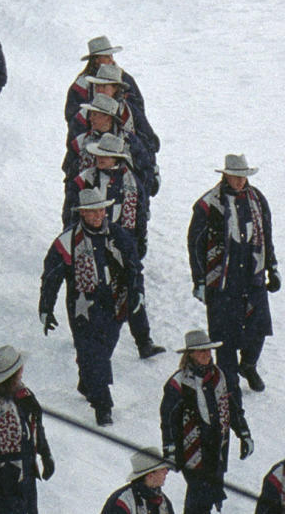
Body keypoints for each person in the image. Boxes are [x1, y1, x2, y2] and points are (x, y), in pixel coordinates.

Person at [39, 188, 144, 426]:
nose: (98, 216)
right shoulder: (67, 242)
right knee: (93, 355)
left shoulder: (118, 235)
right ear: (82, 213)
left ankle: (87, 382)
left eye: (101, 210)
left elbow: (134, 268)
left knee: (102, 351)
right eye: (92, 212)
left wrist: (137, 292)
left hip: (115, 304)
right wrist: (46, 308)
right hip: (83, 308)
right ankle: (103, 405)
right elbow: (51, 277)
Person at [64, 133, 165, 360]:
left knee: (133, 288)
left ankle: (143, 341)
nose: (100, 159)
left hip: (122, 243)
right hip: (89, 242)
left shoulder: (131, 181)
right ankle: (81, 333)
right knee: (83, 288)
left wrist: (139, 242)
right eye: (99, 155)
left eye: (106, 156)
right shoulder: (84, 180)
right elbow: (71, 210)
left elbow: (140, 215)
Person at [188, 155, 277, 396]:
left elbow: (266, 236)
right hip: (222, 280)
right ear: (225, 175)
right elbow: (196, 244)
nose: (240, 181)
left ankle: (248, 365)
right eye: (235, 176)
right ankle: (228, 383)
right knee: (224, 335)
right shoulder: (208, 204)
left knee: (258, 327)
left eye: (243, 176)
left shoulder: (257, 199)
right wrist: (200, 279)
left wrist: (272, 267)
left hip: (252, 274)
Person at [160, 330, 253, 514]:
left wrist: (244, 434)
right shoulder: (179, 383)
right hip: (192, 451)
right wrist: (169, 448)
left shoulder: (219, 377)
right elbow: (168, 419)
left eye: (208, 351)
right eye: (201, 351)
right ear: (190, 355)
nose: (206, 355)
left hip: (217, 448)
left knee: (209, 494)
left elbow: (232, 408)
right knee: (198, 497)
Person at [0, 345, 53, 514]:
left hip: (26, 472)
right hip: (0, 481)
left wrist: (45, 453)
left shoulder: (25, 395)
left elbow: (36, 424)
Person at [62, 93, 155, 193]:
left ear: (108, 117)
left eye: (95, 115)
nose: (90, 118)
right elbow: (68, 168)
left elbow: (146, 171)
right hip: (87, 203)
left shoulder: (129, 142)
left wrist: (139, 193)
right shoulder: (81, 141)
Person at [64, 35, 144, 131]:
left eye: (111, 56)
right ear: (96, 59)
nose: (111, 59)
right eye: (106, 56)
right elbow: (72, 115)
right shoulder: (80, 86)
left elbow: (138, 107)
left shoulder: (124, 79)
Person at [101, 447, 175, 514]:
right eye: (162, 469)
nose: (166, 471)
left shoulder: (163, 502)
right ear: (150, 476)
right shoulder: (123, 502)